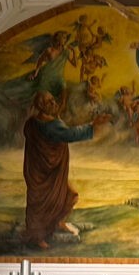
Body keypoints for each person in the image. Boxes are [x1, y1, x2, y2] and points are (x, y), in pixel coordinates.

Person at [19, 89, 103, 247]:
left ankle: (57, 222)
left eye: (53, 99)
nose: (53, 103)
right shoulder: (50, 126)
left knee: (69, 197)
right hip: (44, 174)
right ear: (41, 106)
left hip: (47, 172)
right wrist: (92, 127)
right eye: (49, 102)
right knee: (40, 205)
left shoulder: (34, 122)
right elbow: (70, 134)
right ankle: (37, 238)